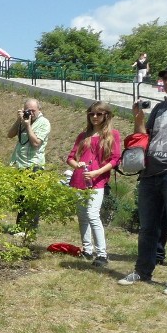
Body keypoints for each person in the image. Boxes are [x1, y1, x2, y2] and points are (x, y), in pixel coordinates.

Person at [118, 62, 167, 295]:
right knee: (148, 227)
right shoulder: (160, 108)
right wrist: (138, 116)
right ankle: (142, 270)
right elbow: (143, 136)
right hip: (150, 173)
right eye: (166, 78)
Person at [65, 102, 122, 267]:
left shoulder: (113, 135)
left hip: (97, 182)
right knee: (82, 216)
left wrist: (97, 172)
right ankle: (87, 250)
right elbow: (70, 157)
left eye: (99, 114)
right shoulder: (83, 136)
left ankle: (102, 254)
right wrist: (77, 166)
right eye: (91, 114)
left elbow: (115, 159)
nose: (95, 117)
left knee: (92, 215)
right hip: (78, 180)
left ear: (106, 115)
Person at [7, 98, 51, 232]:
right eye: (27, 110)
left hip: (34, 165)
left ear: (39, 110)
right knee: (21, 198)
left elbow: (36, 143)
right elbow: (10, 135)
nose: (30, 113)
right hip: (21, 164)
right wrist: (19, 120)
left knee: (32, 199)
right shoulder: (24, 120)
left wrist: (27, 126)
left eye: (33, 110)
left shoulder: (44, 123)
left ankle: (31, 229)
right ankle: (19, 227)